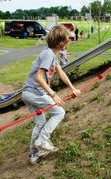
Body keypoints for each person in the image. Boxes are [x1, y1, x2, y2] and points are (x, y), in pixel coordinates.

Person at [22, 25, 81, 164]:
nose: (69, 42)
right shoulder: (48, 55)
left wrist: (72, 88)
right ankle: (42, 140)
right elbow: (39, 77)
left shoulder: (51, 54)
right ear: (61, 43)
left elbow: (61, 73)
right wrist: (53, 95)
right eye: (68, 40)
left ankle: (34, 154)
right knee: (59, 112)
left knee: (40, 123)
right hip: (35, 93)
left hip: (28, 93)